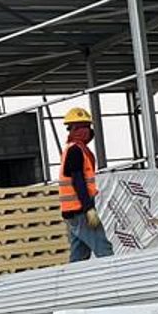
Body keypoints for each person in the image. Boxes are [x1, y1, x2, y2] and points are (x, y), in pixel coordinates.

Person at [58, 107, 114, 262]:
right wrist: (88, 208)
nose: (89, 131)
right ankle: (116, 280)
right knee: (104, 248)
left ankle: (71, 283)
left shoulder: (75, 149)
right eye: (85, 127)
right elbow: (78, 181)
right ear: (77, 129)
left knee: (79, 255)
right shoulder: (75, 150)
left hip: (74, 211)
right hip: (80, 210)